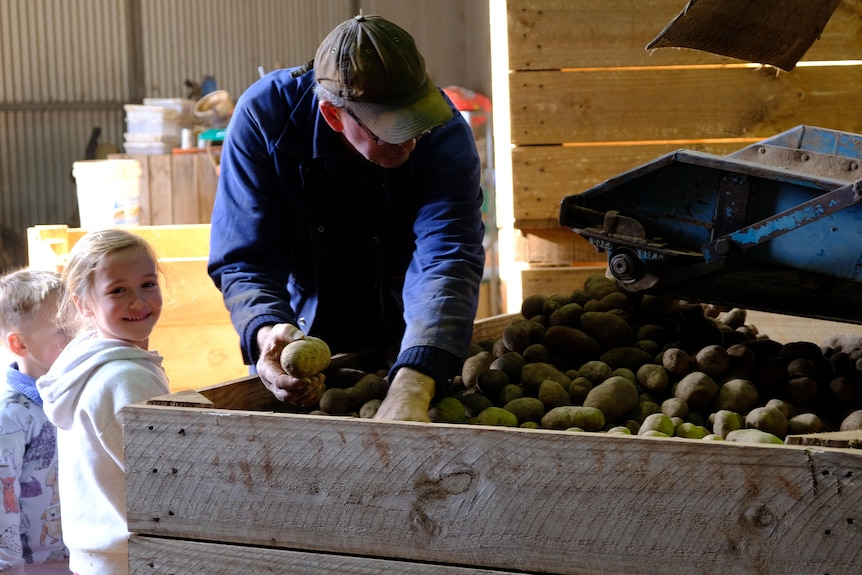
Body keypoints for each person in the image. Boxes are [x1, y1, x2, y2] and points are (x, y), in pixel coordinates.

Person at [208, 14, 486, 422]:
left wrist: (415, 379)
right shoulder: (265, 118)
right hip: (301, 330)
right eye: (389, 130)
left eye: (417, 124)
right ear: (334, 116)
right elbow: (246, 259)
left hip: (406, 330)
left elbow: (448, 255)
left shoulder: (443, 131)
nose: (409, 141)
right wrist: (267, 331)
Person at [37, 229, 170, 575]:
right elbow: (165, 478)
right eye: (118, 290)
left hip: (95, 559)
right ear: (82, 303)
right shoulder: (127, 379)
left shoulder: (79, 362)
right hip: (136, 559)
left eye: (148, 284)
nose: (139, 302)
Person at [0, 269, 70, 569]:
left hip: (80, 553)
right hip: (35, 566)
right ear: (20, 345)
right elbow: (4, 504)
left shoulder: (75, 393)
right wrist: (10, 565)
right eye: (62, 329)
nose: (78, 337)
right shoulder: (11, 416)